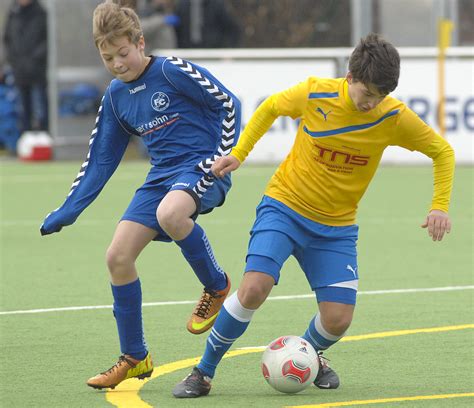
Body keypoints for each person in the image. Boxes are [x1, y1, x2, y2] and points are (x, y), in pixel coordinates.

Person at [172, 33, 455, 398]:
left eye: (380, 96)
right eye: (367, 93)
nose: (372, 103)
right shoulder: (316, 93)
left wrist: (439, 206)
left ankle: (308, 352)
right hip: (284, 207)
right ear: (350, 77)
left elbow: (442, 151)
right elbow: (271, 107)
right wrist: (240, 152)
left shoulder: (393, 117)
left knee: (338, 319)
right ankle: (203, 372)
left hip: (336, 228)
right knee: (254, 287)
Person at [40, 1, 241, 390]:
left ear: (140, 42)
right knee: (117, 256)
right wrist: (69, 210)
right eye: (107, 57)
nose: (117, 63)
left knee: (170, 214)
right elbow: (99, 160)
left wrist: (225, 155)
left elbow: (227, 103)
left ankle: (216, 285)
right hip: (161, 176)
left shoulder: (170, 69)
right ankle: (135, 356)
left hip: (203, 166)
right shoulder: (115, 96)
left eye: (123, 53)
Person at [3, 0, 48, 132]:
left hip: (37, 71)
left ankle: (42, 138)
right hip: (19, 71)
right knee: (23, 109)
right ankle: (25, 138)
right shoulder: (13, 13)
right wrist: (13, 61)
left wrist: (34, 60)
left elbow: (47, 41)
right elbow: (7, 39)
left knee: (40, 109)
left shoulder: (41, 13)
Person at [174, 0, 241, 48]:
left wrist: (228, 50)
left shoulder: (217, 4)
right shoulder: (182, 4)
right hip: (187, 51)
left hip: (212, 50)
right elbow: (176, 29)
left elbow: (232, 28)